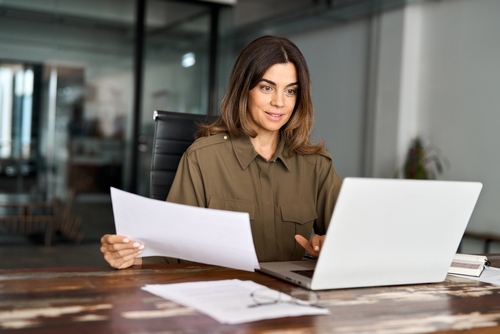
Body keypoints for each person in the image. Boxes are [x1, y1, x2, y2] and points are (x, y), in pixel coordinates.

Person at [101, 35, 342, 269]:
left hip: (290, 298)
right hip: (220, 294)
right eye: (267, 88)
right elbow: (171, 251)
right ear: (243, 90)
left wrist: (330, 246)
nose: (280, 102)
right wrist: (129, 256)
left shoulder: (316, 164)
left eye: (290, 91)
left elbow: (348, 239)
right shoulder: (203, 158)